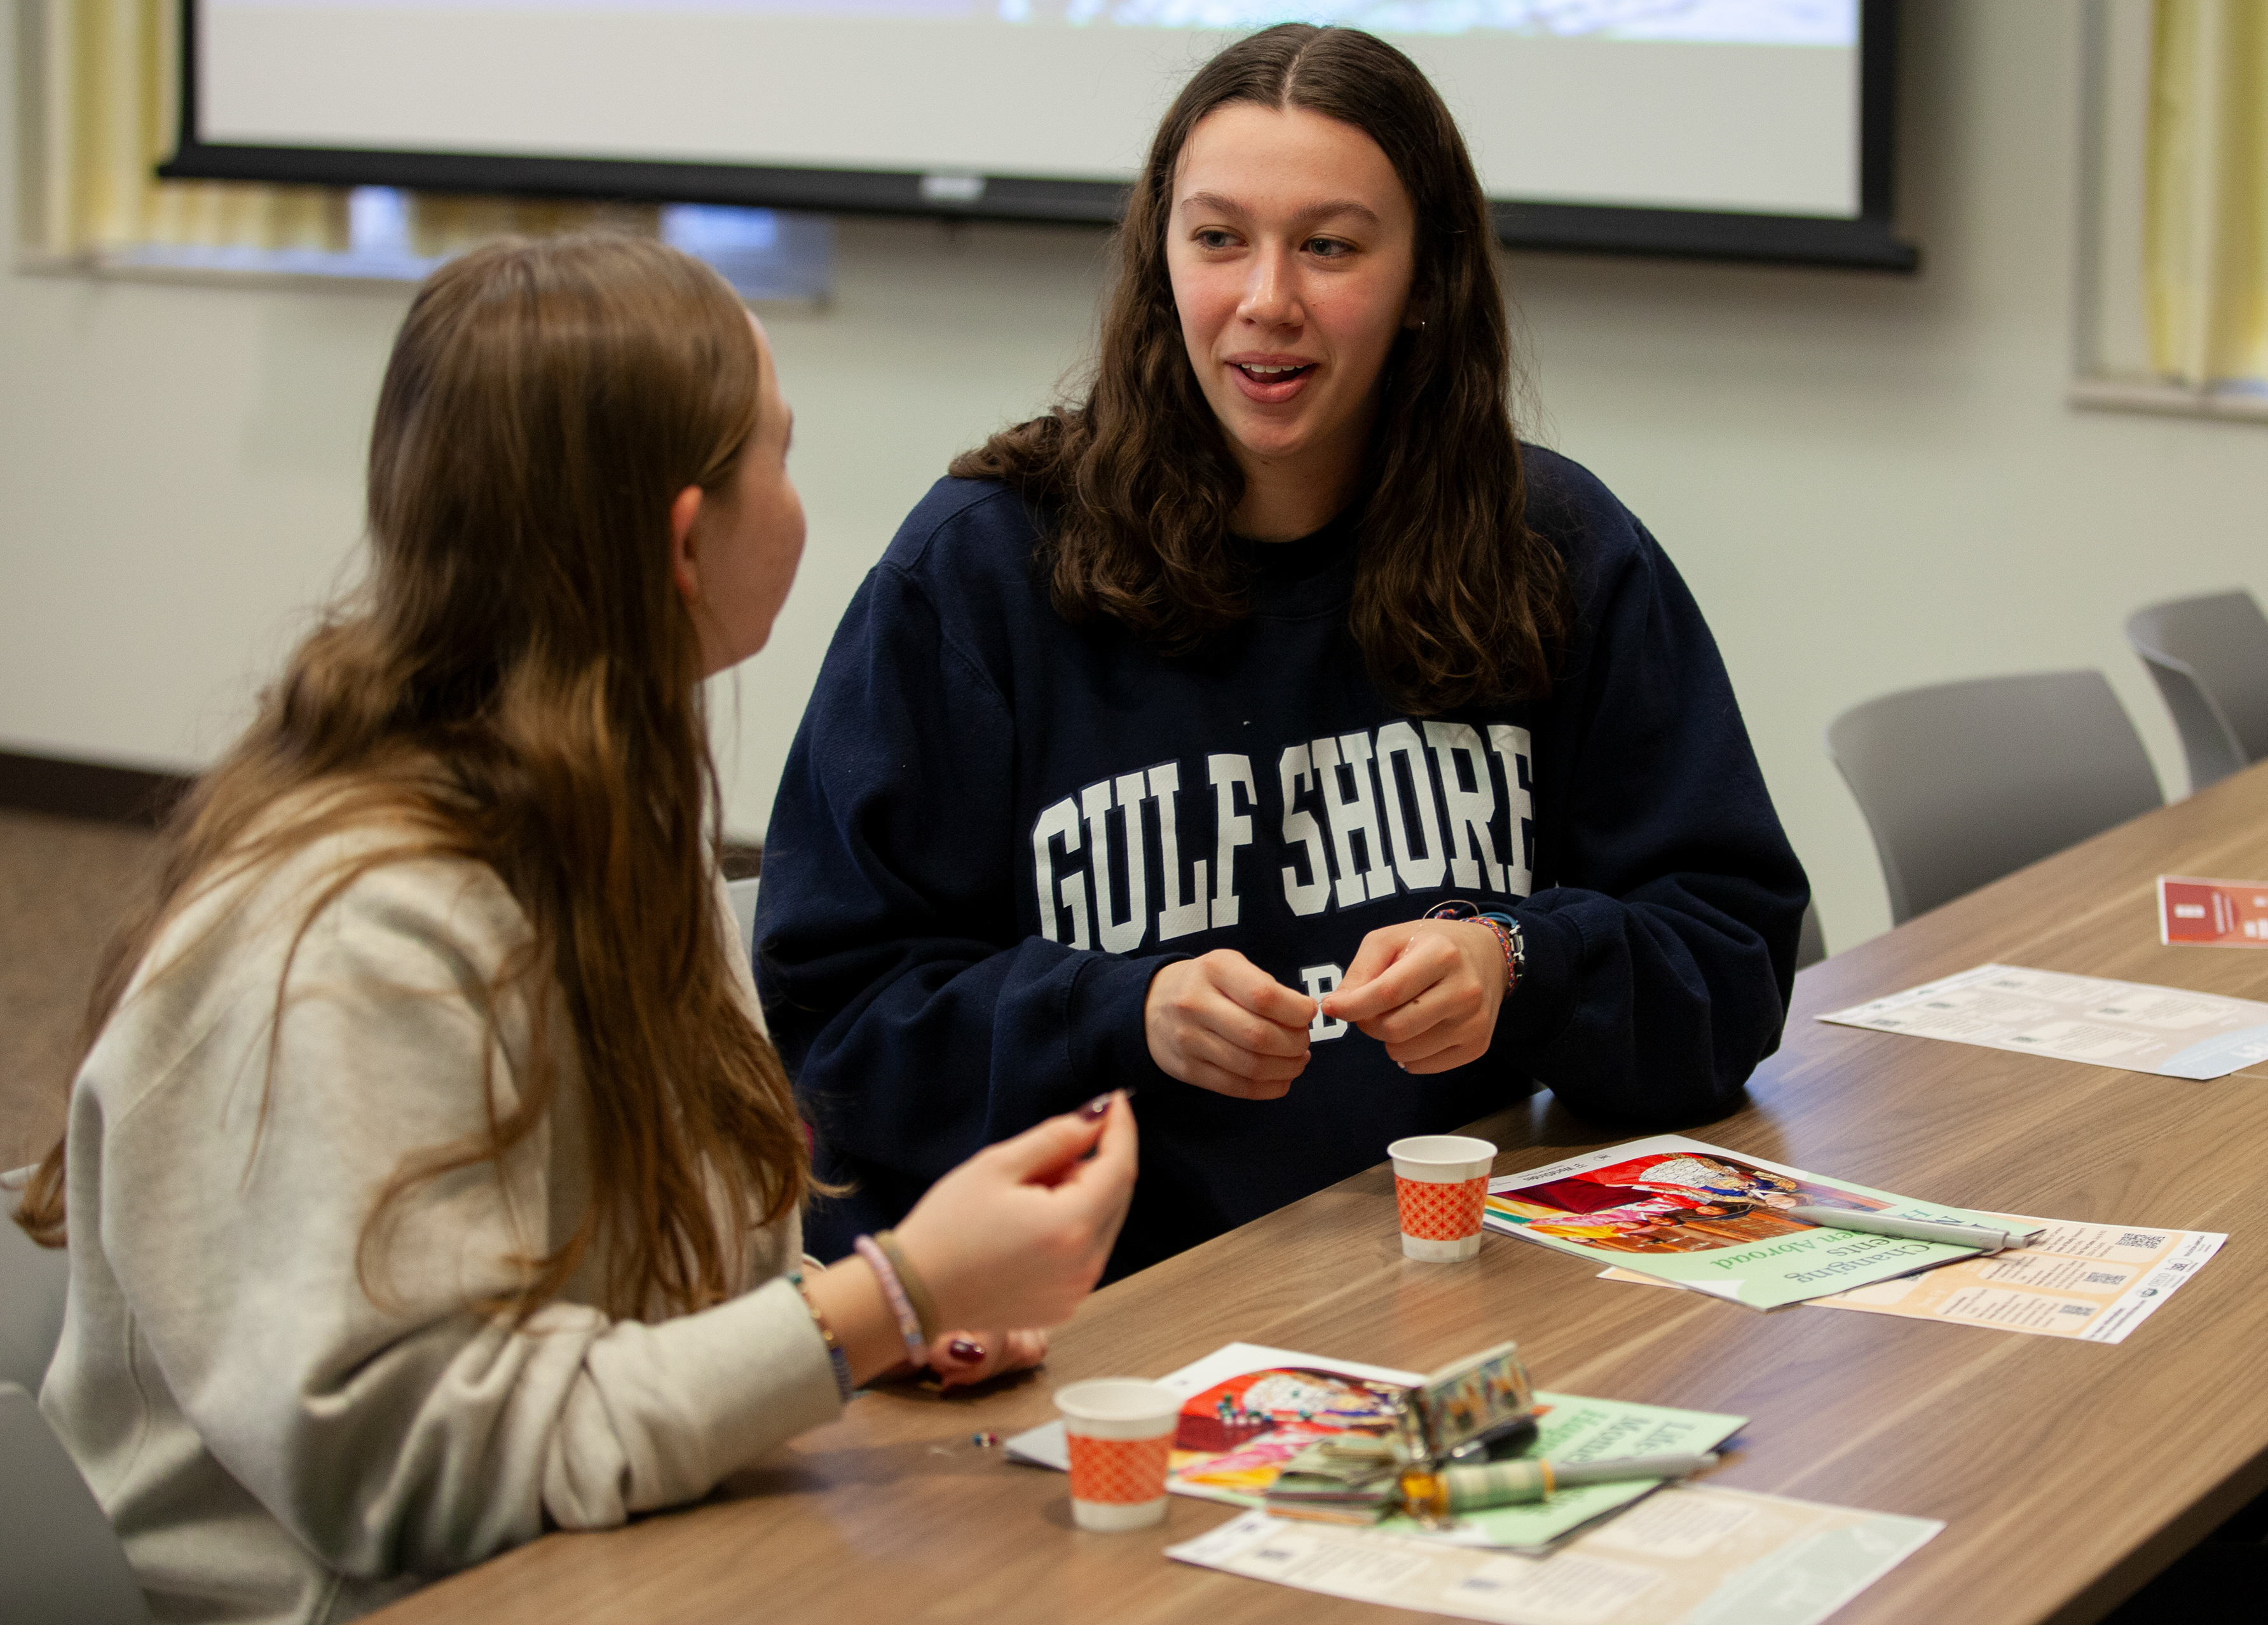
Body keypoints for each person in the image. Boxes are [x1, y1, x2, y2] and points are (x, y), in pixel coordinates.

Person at [10, 235, 1137, 1625]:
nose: (801, 502)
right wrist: (883, 1293)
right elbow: (427, 1481)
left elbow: (600, 1298)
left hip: (626, 1566)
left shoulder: (602, 820)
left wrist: (857, 1320)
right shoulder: (362, 935)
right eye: (781, 456)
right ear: (683, 539)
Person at [756, 24, 1806, 1280]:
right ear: (1161, 265)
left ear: (1426, 280)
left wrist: (1517, 962)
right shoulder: (981, 571)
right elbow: (839, 1030)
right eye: (1218, 239)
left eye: (1329, 246)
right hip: (1101, 1323)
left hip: (1450, 1282)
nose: (1267, 300)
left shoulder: (1554, 550)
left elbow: (1734, 962)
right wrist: (1122, 1016)